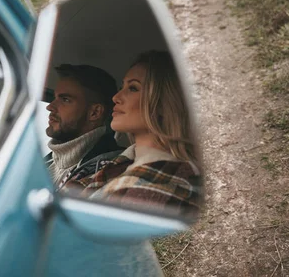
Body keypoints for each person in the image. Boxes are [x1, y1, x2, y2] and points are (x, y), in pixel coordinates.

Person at [62, 51, 201, 219]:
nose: (116, 97)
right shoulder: (117, 165)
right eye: (122, 87)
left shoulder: (163, 184)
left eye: (133, 88)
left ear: (164, 103)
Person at [44, 64, 122, 189]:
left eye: (65, 99)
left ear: (94, 112)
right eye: (54, 98)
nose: (50, 106)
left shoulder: (111, 169)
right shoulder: (46, 164)